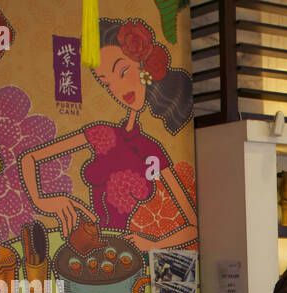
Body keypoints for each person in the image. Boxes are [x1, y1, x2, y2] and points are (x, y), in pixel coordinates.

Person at [20, 17, 197, 251]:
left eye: (122, 71)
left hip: (126, 253)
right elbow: (29, 158)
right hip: (86, 245)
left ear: (143, 69)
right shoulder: (102, 133)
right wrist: (44, 200)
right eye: (107, 83)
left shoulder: (153, 151)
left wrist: (153, 244)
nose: (118, 89)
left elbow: (193, 226)